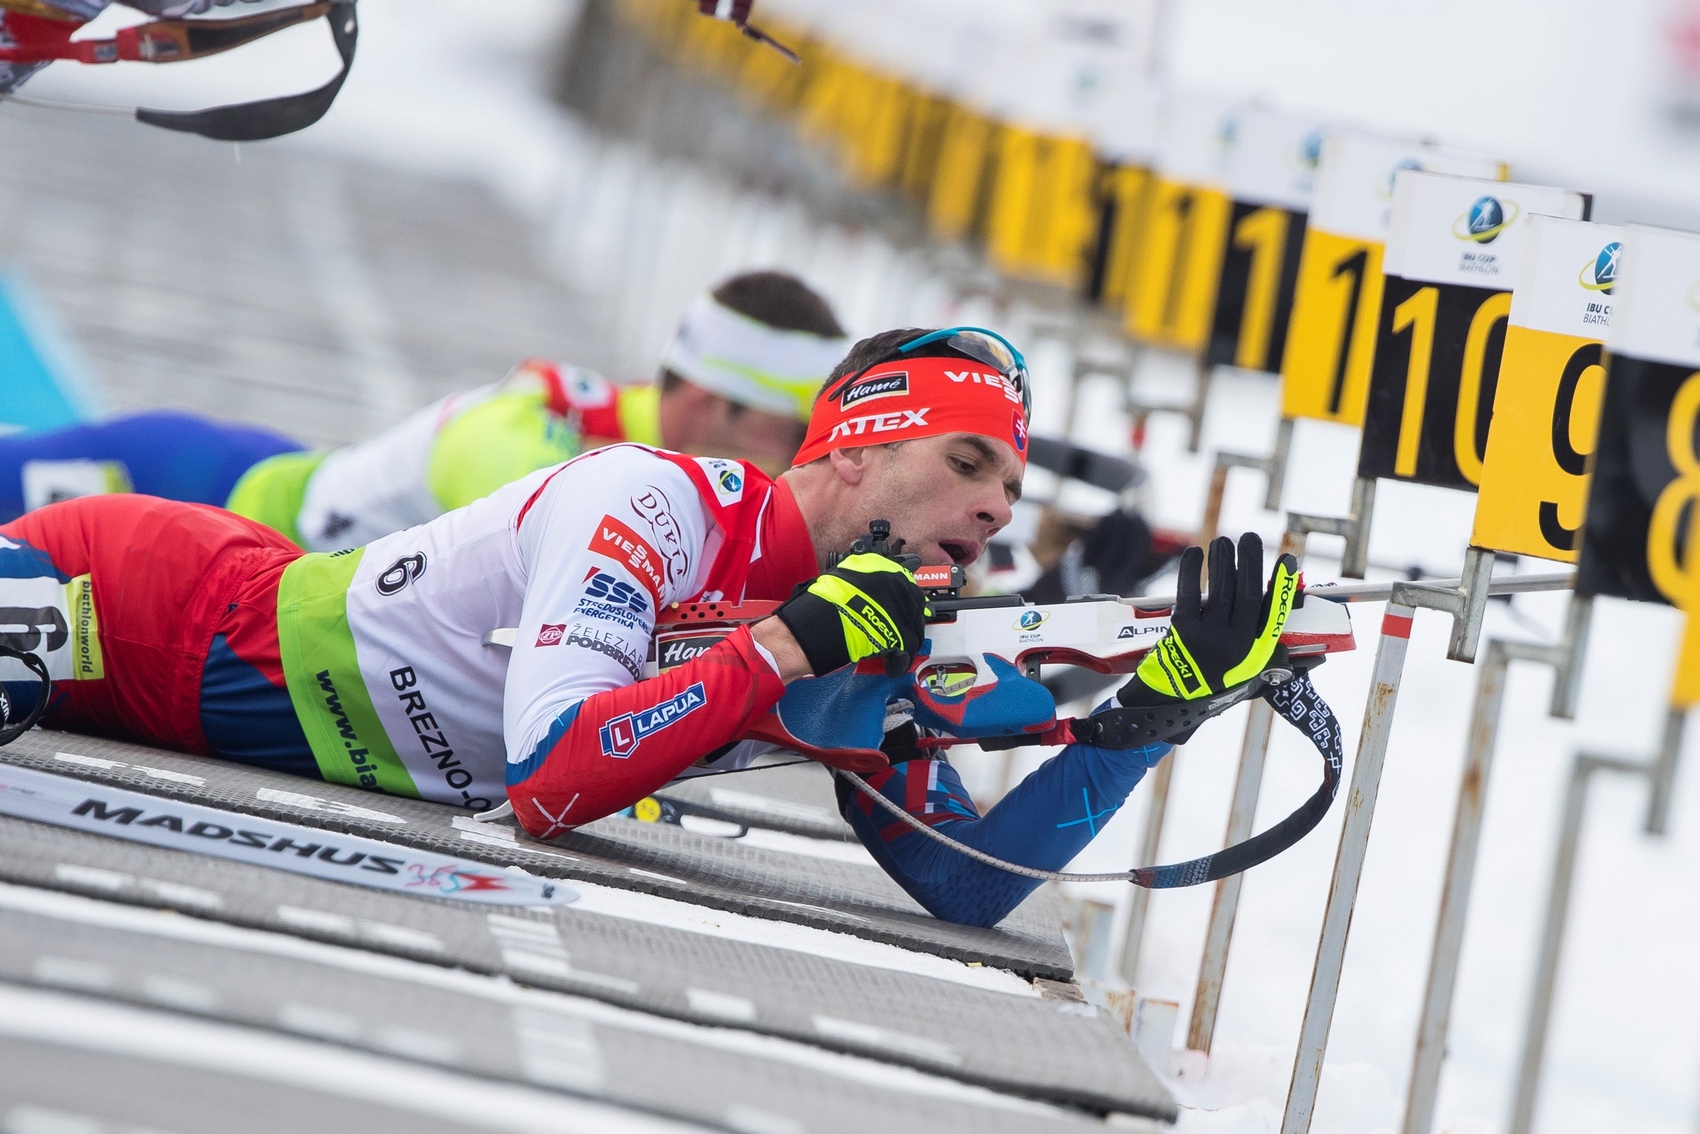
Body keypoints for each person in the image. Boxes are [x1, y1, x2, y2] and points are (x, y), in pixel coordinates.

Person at [0, 326, 1295, 928]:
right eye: (968, 464)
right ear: (855, 445)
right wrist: (784, 647)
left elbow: (965, 885)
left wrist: (1152, 712)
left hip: (222, 705)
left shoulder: (869, 636)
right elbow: (551, 778)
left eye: (1008, 487)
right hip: (141, 604)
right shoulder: (652, 500)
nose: (998, 508)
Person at [0, 270, 849, 550]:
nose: (798, 458)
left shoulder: (647, 454)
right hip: (184, 496)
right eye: (791, 432)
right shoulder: (528, 436)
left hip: (240, 514)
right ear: (705, 402)